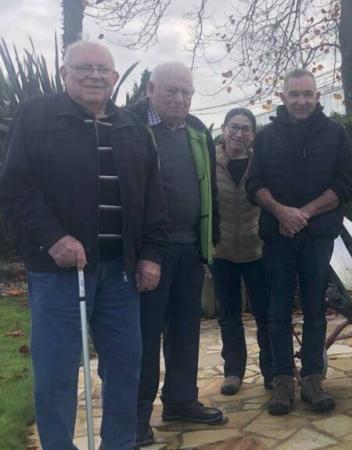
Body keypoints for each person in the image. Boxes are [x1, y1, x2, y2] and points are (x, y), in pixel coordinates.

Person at [0, 41, 168, 450]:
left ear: (114, 78)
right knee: (57, 370)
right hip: (60, 272)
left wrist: (150, 255)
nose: (95, 75)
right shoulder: (37, 116)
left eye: (102, 69)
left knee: (126, 365)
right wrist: (53, 238)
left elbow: (153, 198)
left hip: (120, 272)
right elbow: (15, 186)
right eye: (84, 68)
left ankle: (120, 443)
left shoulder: (132, 127)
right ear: (64, 72)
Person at [246, 68, 352, 416]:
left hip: (318, 237)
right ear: (283, 97)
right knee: (277, 311)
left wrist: (303, 213)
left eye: (308, 94)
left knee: (314, 309)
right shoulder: (265, 138)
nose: (301, 100)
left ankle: (312, 378)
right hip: (277, 237)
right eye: (294, 94)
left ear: (318, 97)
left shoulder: (336, 134)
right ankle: (282, 380)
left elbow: (346, 185)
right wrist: (281, 213)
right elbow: (254, 186)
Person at [128, 62, 222, 446]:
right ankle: (136, 417)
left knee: (185, 330)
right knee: (144, 337)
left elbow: (209, 189)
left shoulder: (198, 130)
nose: (179, 99)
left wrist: (209, 241)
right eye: (171, 90)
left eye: (186, 92)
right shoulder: (129, 126)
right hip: (148, 254)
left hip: (190, 250)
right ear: (151, 89)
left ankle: (181, 400)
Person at [212, 107, 272, 395]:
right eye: (234, 127)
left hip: (256, 249)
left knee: (265, 313)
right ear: (224, 129)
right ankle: (233, 371)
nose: (239, 133)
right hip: (221, 250)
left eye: (245, 128)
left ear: (252, 134)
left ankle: (271, 371)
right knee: (229, 314)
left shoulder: (260, 162)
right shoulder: (209, 161)